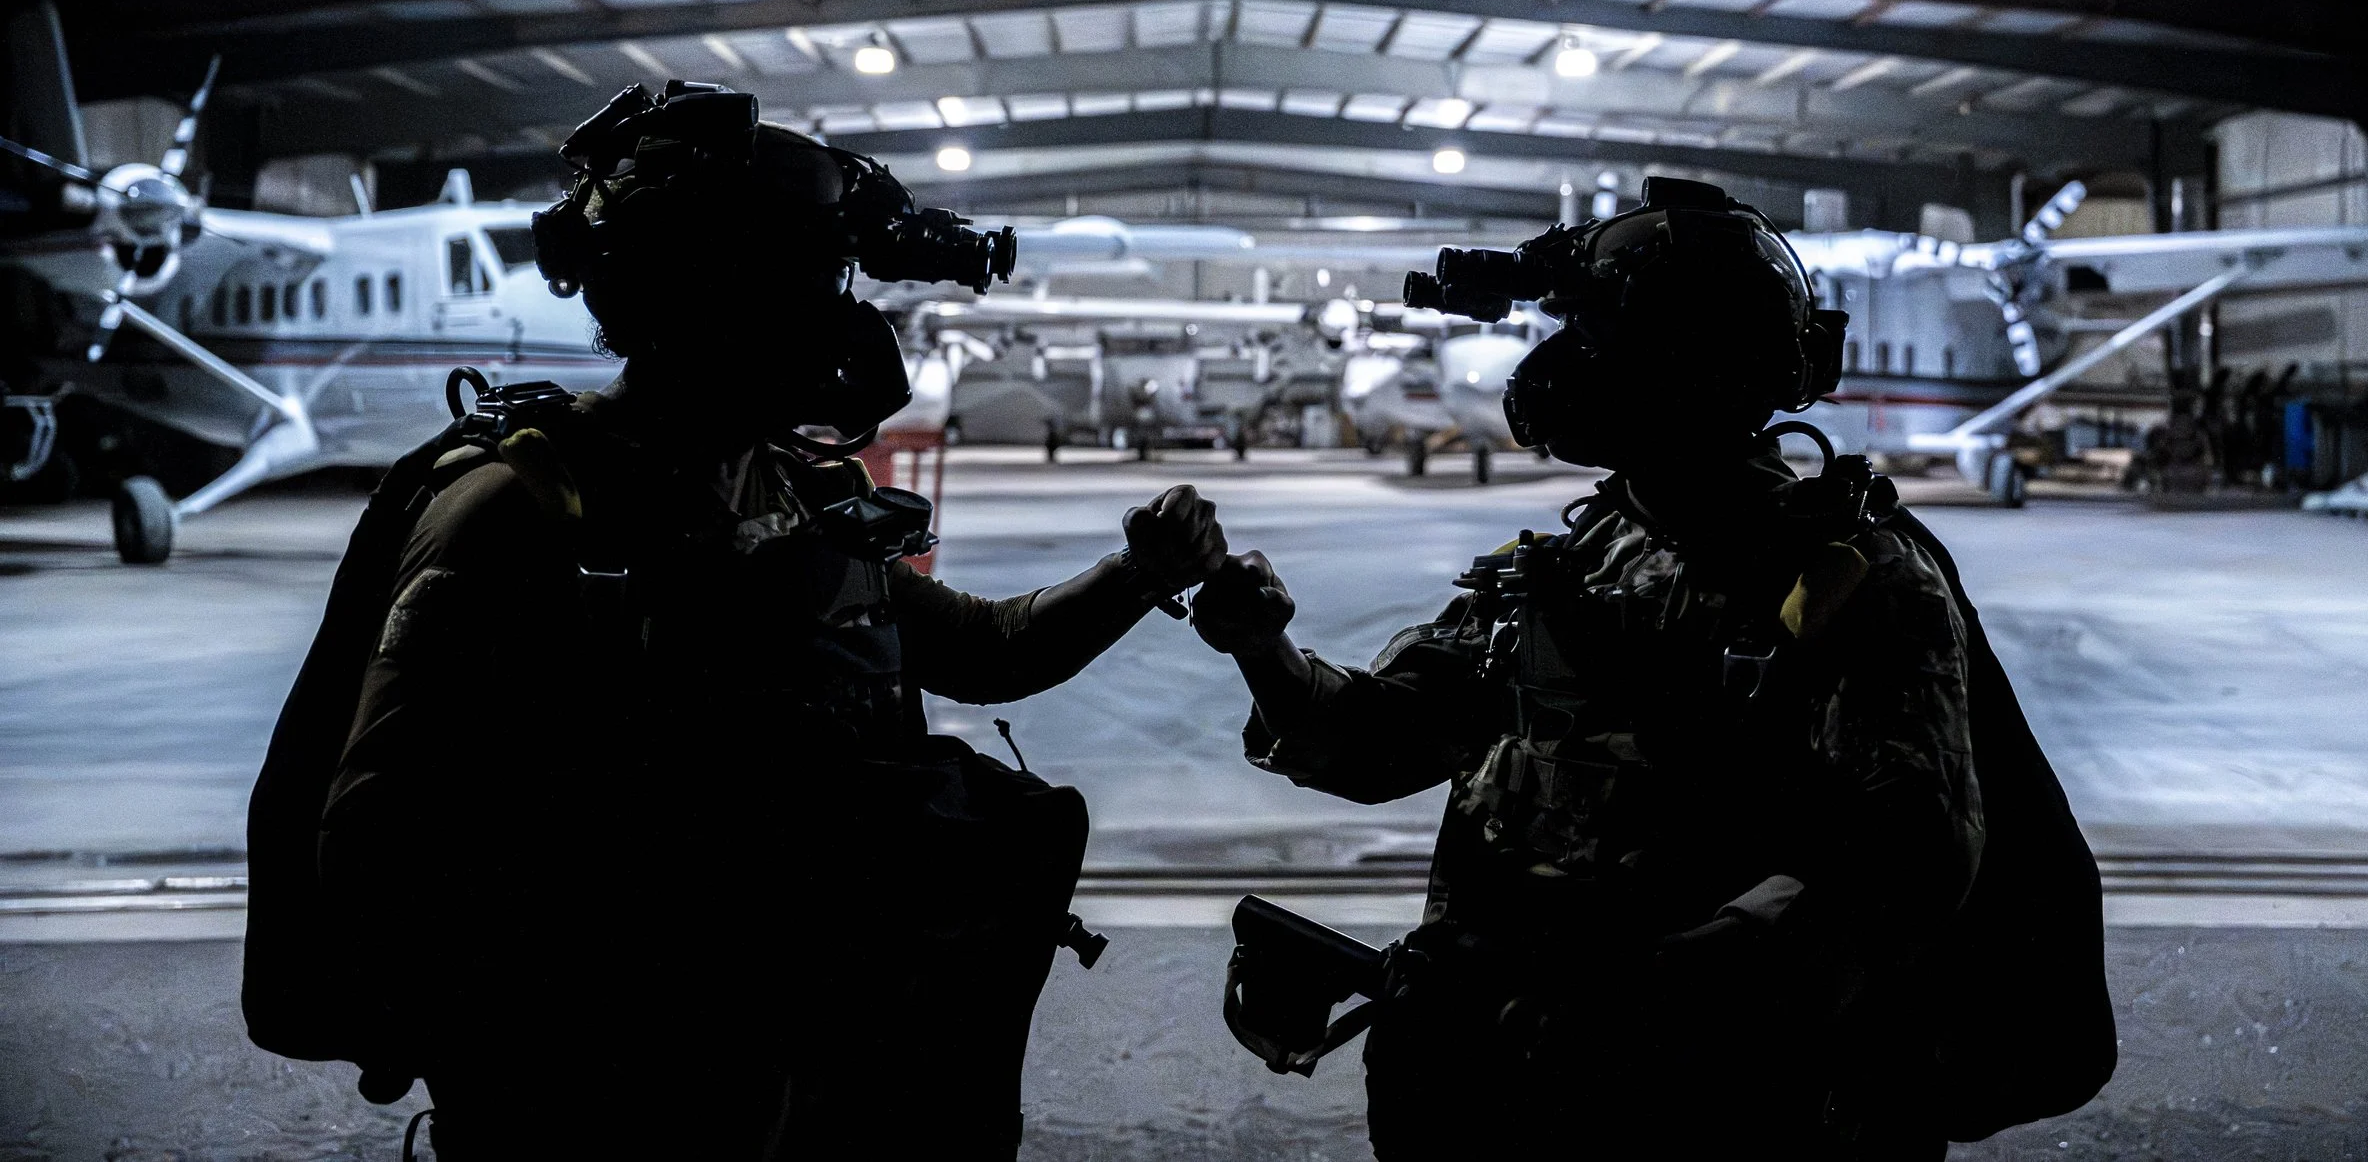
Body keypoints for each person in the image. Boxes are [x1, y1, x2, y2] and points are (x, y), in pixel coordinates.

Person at [315, 82, 1226, 1158]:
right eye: (800, 276)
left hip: (792, 1081)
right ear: (695, 288)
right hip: (605, 1099)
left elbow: (987, 650)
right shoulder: (524, 508)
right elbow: (371, 850)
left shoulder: (791, 494)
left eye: (828, 277)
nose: (833, 313)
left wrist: (1139, 571)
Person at [1190, 177, 1984, 1159]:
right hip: (1500, 1087)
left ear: (1690, 362)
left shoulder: (1852, 579)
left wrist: (1656, 989)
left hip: (1711, 1105)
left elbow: (1906, 861)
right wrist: (1260, 648)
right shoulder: (1571, 562)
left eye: (1604, 336)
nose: (1568, 365)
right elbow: (1378, 739)